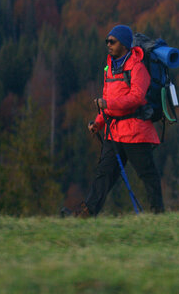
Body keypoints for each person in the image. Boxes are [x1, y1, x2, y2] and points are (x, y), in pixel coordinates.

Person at [62, 25, 164, 217]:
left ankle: (159, 215)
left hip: (135, 132)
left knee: (148, 175)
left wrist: (107, 103)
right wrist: (98, 123)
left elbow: (137, 98)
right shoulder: (110, 67)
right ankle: (86, 214)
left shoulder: (137, 68)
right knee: (104, 175)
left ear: (124, 44)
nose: (108, 44)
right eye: (107, 41)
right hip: (114, 132)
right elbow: (107, 102)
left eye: (112, 41)